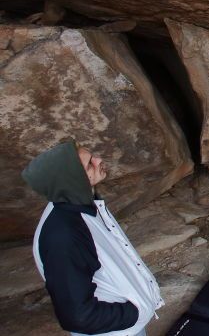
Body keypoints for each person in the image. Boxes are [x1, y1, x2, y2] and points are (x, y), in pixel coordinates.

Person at [22, 140, 163, 336]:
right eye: (89, 163)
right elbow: (79, 316)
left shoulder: (80, 206)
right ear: (73, 178)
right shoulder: (64, 234)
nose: (98, 160)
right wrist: (136, 312)